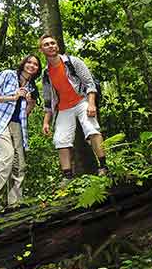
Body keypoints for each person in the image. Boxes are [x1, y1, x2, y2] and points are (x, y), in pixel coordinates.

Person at [38, 34, 109, 184]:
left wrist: (91, 103)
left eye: (53, 43)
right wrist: (46, 122)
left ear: (57, 46)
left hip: (82, 100)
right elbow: (48, 101)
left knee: (91, 128)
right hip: (63, 108)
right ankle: (67, 176)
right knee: (60, 139)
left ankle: (103, 167)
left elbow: (90, 83)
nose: (51, 46)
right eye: (46, 44)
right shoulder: (46, 74)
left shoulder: (72, 62)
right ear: (41, 50)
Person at [0, 54, 41, 214]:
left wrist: (29, 102)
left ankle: (15, 202)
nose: (32, 66)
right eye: (29, 62)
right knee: (6, 157)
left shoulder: (32, 87)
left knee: (19, 164)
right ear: (23, 63)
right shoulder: (7, 74)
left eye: (35, 64)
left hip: (17, 125)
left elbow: (27, 111)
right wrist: (14, 97)